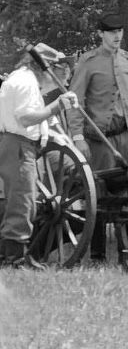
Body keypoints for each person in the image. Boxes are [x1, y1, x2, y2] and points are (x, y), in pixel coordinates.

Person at [67, 13, 128, 262]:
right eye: (112, 32)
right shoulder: (88, 61)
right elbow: (75, 101)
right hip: (99, 140)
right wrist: (77, 135)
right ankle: (97, 254)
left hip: (127, 138)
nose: (117, 36)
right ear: (101, 34)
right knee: (99, 196)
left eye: (120, 32)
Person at [0, 44, 78, 267]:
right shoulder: (25, 83)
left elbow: (34, 117)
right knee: (22, 202)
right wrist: (57, 106)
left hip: (19, 145)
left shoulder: (25, 80)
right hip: (18, 146)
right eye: (57, 68)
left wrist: (57, 135)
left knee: (21, 201)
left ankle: (7, 256)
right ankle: (14, 259)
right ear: (45, 67)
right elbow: (25, 118)